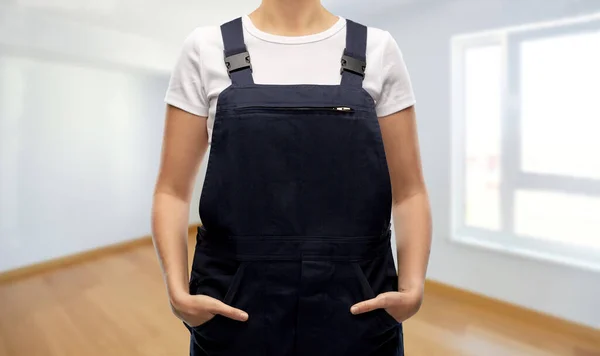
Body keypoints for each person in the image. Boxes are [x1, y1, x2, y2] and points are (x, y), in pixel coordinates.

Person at [152, 0, 432, 355]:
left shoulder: (378, 50)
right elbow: (172, 191)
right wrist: (177, 292)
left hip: (357, 307)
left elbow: (409, 191)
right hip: (235, 310)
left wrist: (412, 287)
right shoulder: (205, 49)